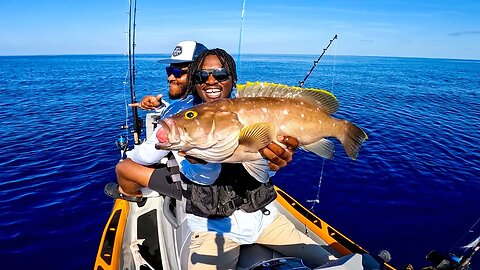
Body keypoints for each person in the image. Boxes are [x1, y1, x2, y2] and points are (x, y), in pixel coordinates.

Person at [107, 48, 333, 269]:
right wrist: (201, 160)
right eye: (201, 76)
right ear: (195, 81)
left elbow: (262, 168)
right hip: (212, 229)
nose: (211, 81)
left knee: (336, 263)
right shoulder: (186, 125)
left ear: (232, 80)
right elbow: (202, 178)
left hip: (264, 220)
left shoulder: (240, 114)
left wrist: (275, 161)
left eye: (221, 75)